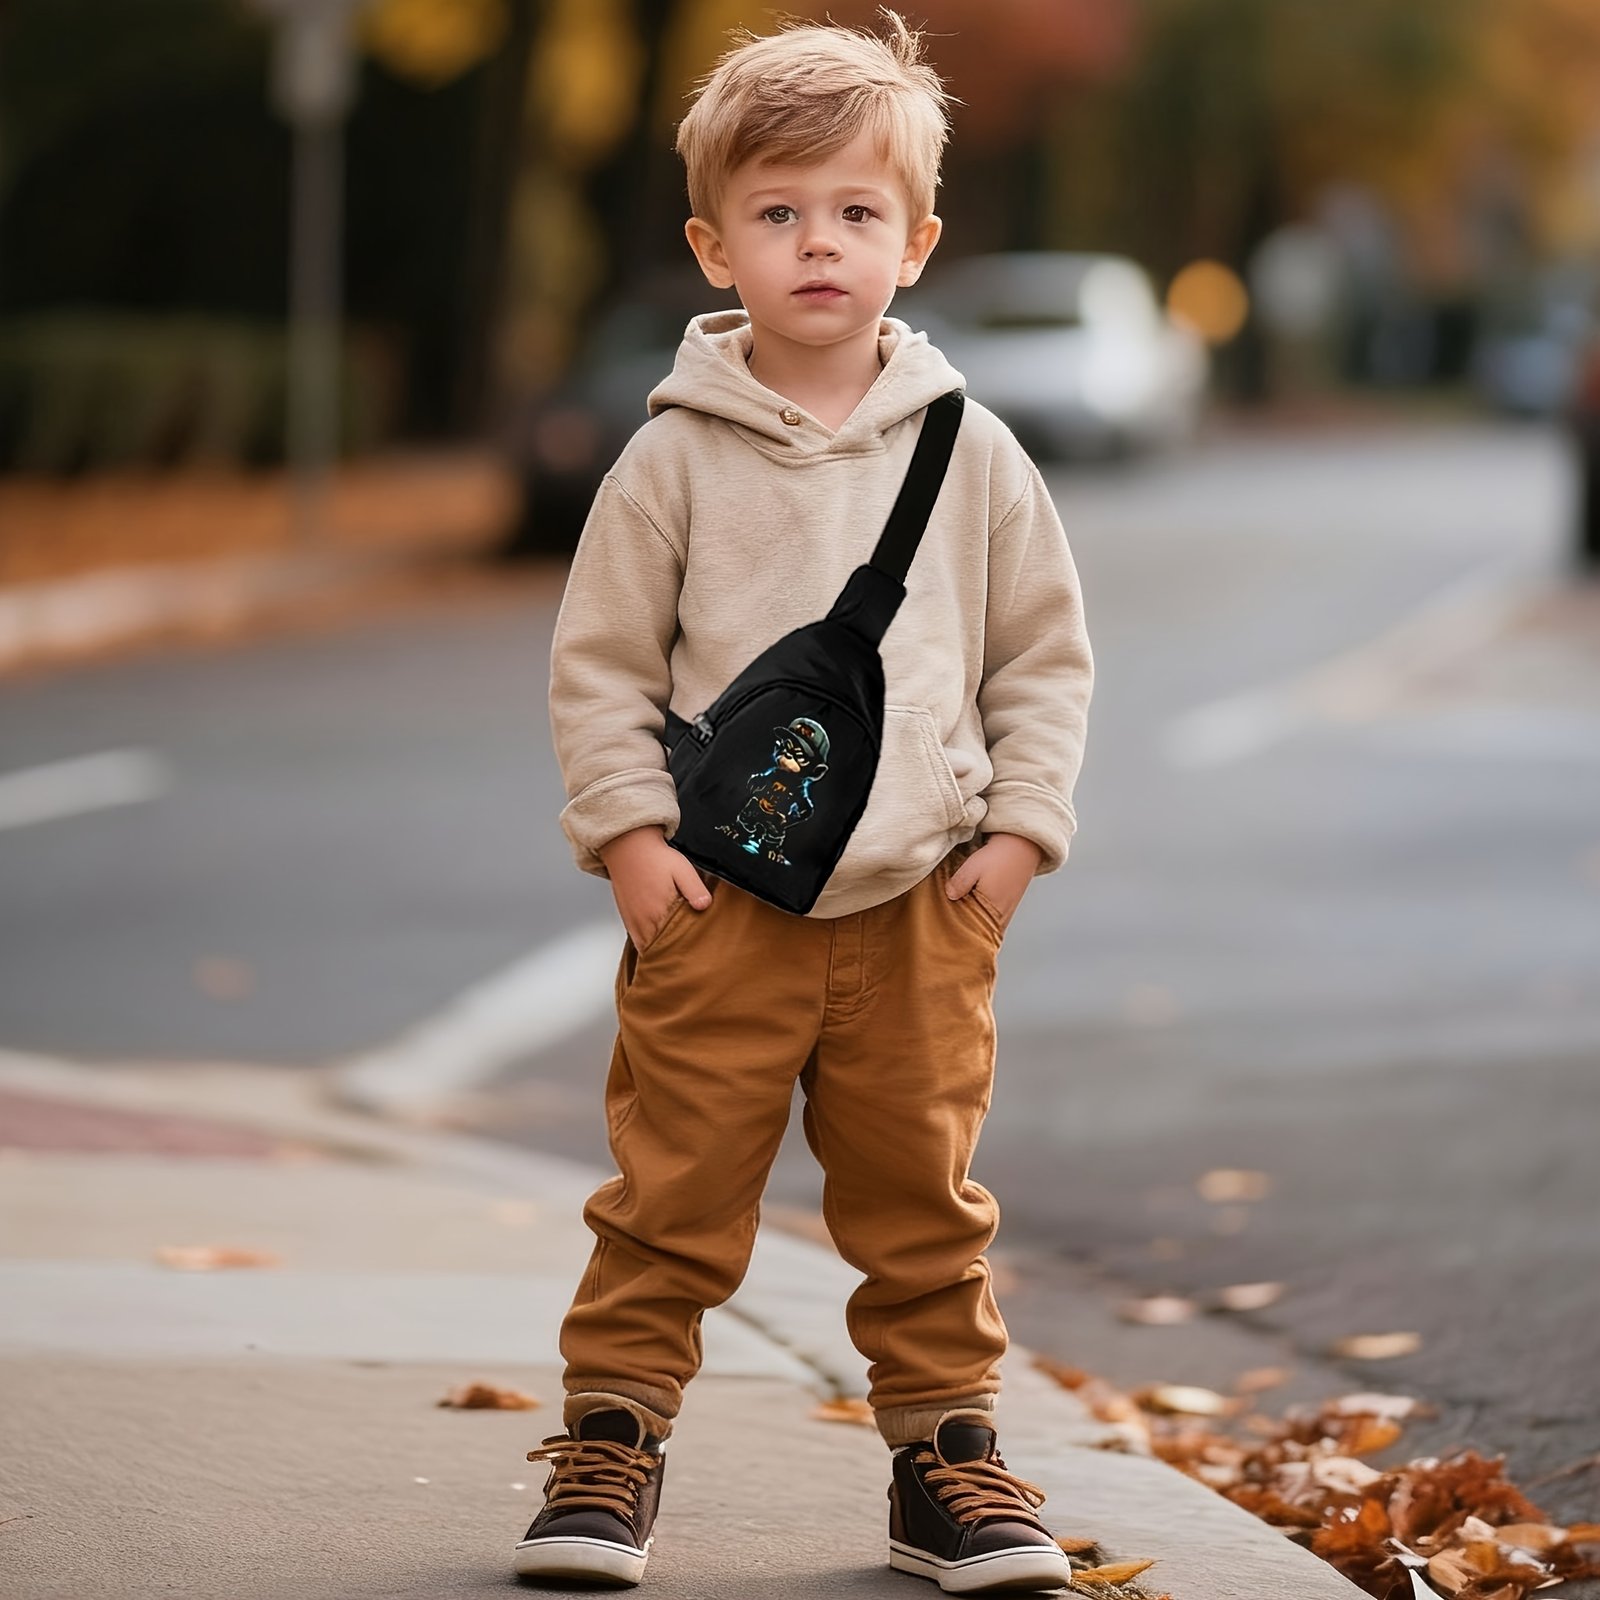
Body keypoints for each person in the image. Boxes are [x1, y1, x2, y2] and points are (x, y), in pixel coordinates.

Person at [516, 10, 1093, 1593]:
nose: (818, 244)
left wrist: (1017, 838)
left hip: (923, 906)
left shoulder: (974, 455)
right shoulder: (671, 465)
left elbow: (1044, 656)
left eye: (855, 213)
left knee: (922, 1204)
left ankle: (945, 1464)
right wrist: (631, 840)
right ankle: (609, 1445)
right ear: (716, 243)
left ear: (917, 241)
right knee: (672, 1194)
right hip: (721, 908)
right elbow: (601, 668)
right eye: (777, 213)